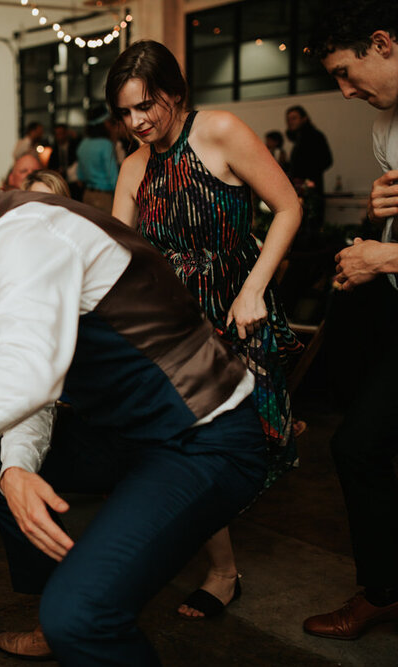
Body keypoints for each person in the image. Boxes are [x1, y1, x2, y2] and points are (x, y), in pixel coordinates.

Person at [0, 110, 267, 665]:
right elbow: (35, 384)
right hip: (133, 432)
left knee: (80, 617)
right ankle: (72, 588)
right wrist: (18, 467)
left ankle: (79, 606)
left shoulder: (27, 233)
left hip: (205, 435)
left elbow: (26, 370)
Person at [109, 40, 302, 620]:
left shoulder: (218, 130)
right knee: (187, 447)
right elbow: (119, 255)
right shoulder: (134, 166)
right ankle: (221, 571)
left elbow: (289, 207)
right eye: (125, 112)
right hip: (175, 327)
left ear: (174, 92)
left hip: (236, 311)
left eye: (146, 106)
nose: (137, 122)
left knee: (243, 448)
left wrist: (252, 289)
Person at [301, 0, 398, 640]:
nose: (343, 90)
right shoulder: (385, 123)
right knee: (360, 443)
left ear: (383, 43)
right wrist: (373, 225)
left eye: (345, 71)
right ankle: (385, 590)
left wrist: (383, 253)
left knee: (360, 443)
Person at [286, 105, 333, 235]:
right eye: (288, 119)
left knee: (311, 229)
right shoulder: (298, 139)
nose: (290, 122)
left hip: (311, 191)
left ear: (304, 118)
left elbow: (327, 160)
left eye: (294, 118)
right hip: (300, 190)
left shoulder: (315, 136)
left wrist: (307, 178)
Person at [76, 105, 120, 214]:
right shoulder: (106, 144)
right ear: (104, 123)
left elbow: (80, 176)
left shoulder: (83, 144)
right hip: (104, 197)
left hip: (87, 196)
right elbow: (113, 177)